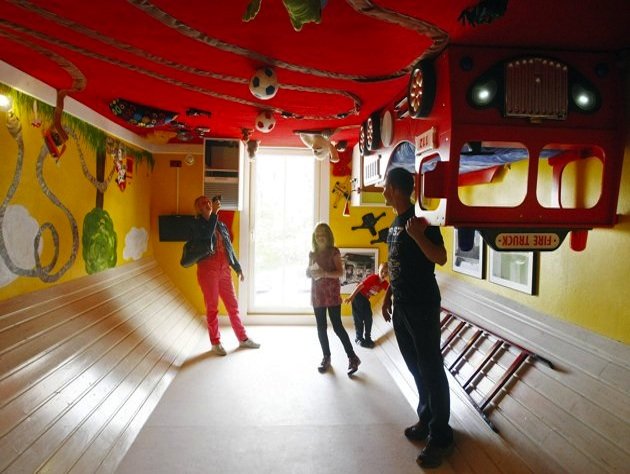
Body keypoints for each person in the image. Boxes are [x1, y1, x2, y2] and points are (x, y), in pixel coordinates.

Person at [380, 168, 454, 468]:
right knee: (415, 366)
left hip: (423, 306)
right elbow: (396, 264)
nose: (383, 192)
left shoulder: (421, 219)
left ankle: (441, 435)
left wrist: (418, 235)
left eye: (386, 187)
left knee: (431, 367)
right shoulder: (396, 224)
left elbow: (439, 256)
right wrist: (388, 295)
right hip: (402, 306)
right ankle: (426, 418)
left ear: (397, 189)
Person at [192, 195, 260, 356]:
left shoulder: (221, 225)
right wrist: (214, 213)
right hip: (207, 269)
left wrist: (237, 267)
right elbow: (207, 236)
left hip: (224, 269)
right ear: (197, 209)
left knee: (233, 306)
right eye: (203, 202)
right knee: (212, 307)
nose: (207, 203)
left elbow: (228, 247)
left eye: (209, 201)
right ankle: (215, 342)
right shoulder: (197, 225)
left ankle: (242, 338)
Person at [306, 222, 361, 376]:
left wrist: (324, 274)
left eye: (323, 234)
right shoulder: (312, 253)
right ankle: (326, 357)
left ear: (328, 236)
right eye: (317, 234)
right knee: (321, 327)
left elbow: (339, 273)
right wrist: (309, 272)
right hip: (317, 294)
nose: (320, 237)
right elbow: (308, 271)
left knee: (337, 326)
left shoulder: (334, 252)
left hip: (331, 294)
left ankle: (353, 357)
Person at [344, 262, 389, 348]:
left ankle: (368, 338)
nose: (383, 274)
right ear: (378, 270)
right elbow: (360, 286)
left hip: (365, 299)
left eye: (386, 272)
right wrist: (351, 297)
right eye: (382, 271)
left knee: (369, 318)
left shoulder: (384, 283)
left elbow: (390, 290)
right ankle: (359, 338)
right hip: (358, 296)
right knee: (359, 319)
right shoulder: (373, 278)